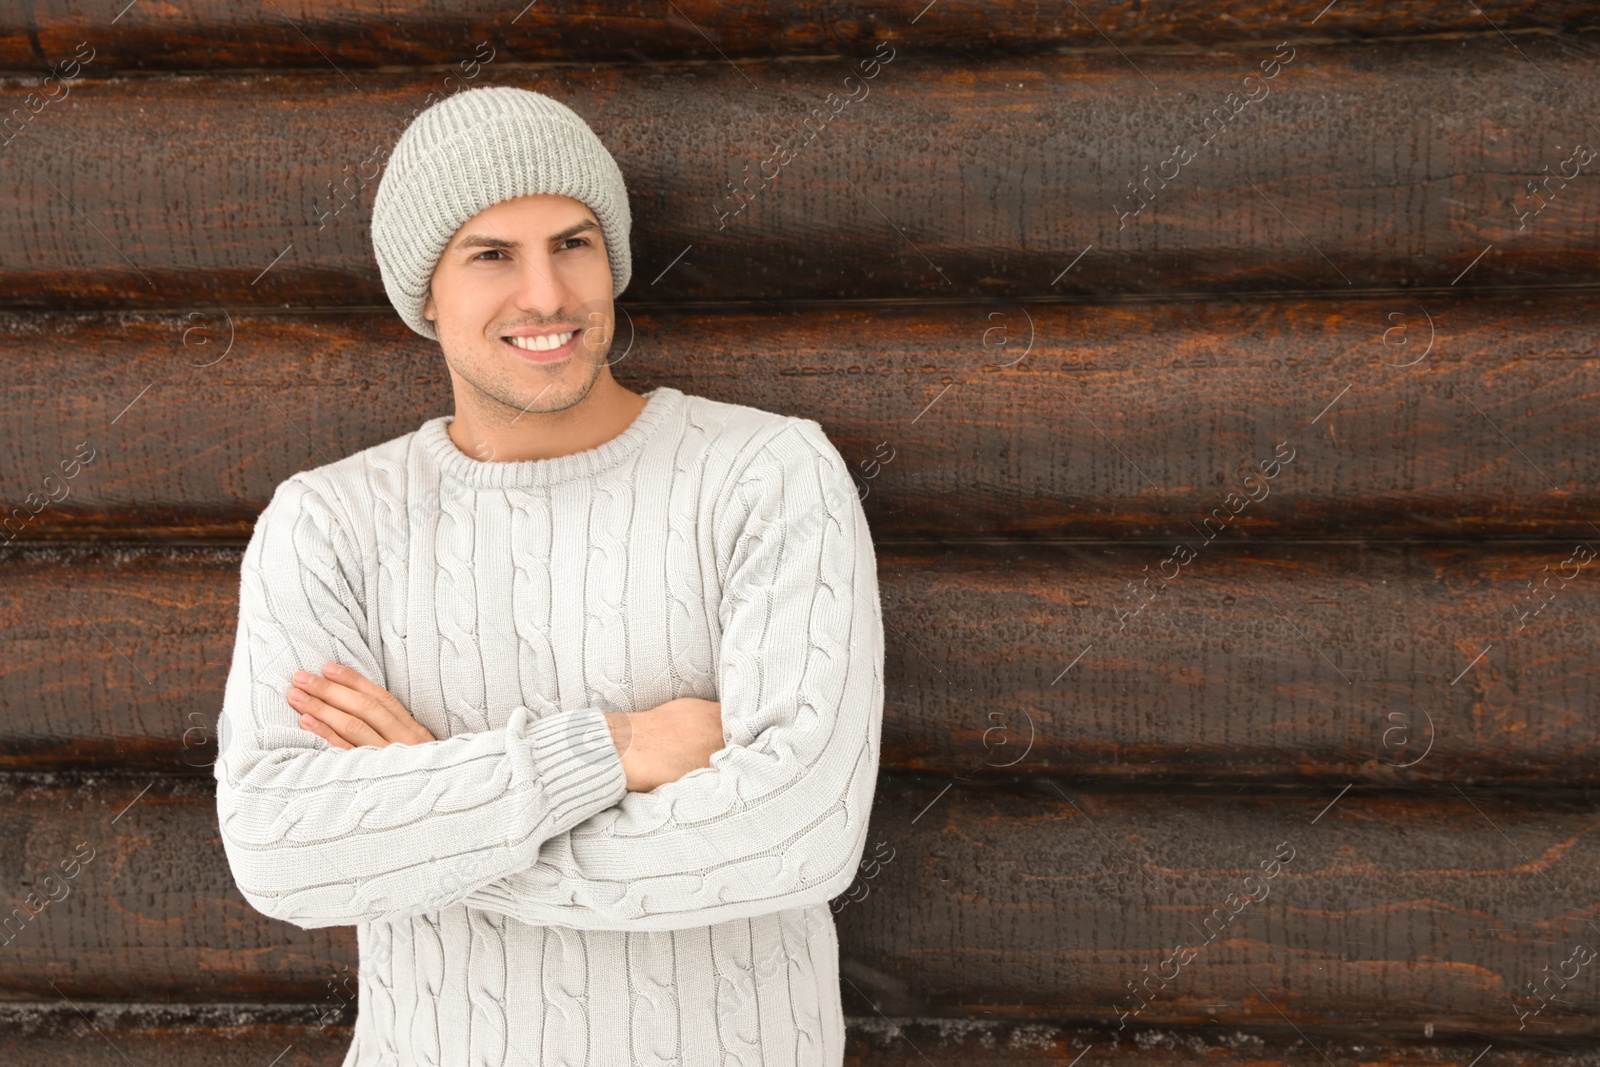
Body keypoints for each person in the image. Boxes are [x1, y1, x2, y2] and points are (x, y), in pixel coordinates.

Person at [212, 85, 884, 1067]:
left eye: (573, 243)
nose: (547, 295)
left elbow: (801, 829)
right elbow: (281, 849)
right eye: (491, 254)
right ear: (424, 292)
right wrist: (609, 750)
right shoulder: (329, 522)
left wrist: (434, 821)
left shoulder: (766, 472)